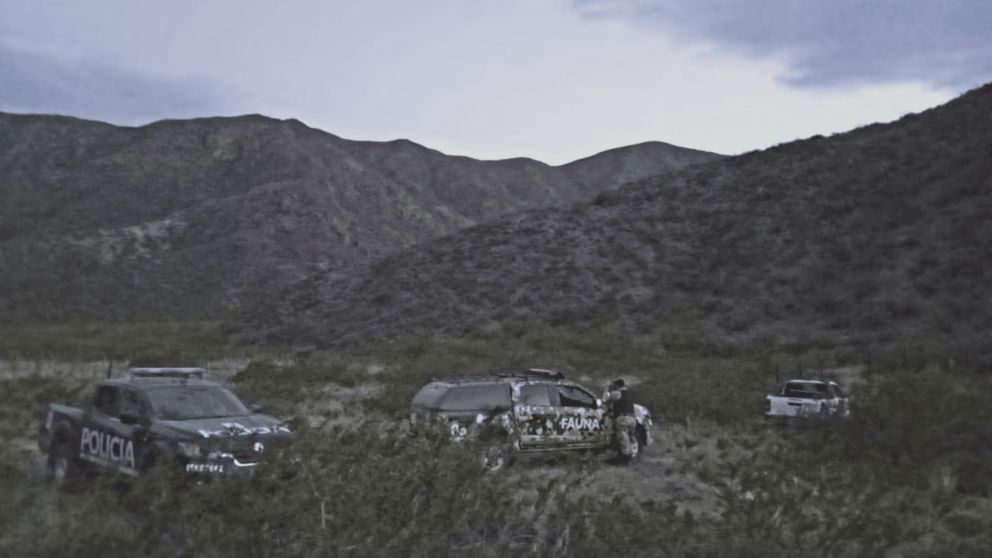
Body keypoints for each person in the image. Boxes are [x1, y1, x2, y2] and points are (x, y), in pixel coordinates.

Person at [602, 378, 637, 460]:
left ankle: (627, 456)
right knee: (631, 436)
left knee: (623, 436)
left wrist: (607, 389)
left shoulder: (618, 393)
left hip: (623, 419)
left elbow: (604, 399)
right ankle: (634, 452)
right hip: (632, 419)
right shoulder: (629, 393)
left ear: (617, 386)